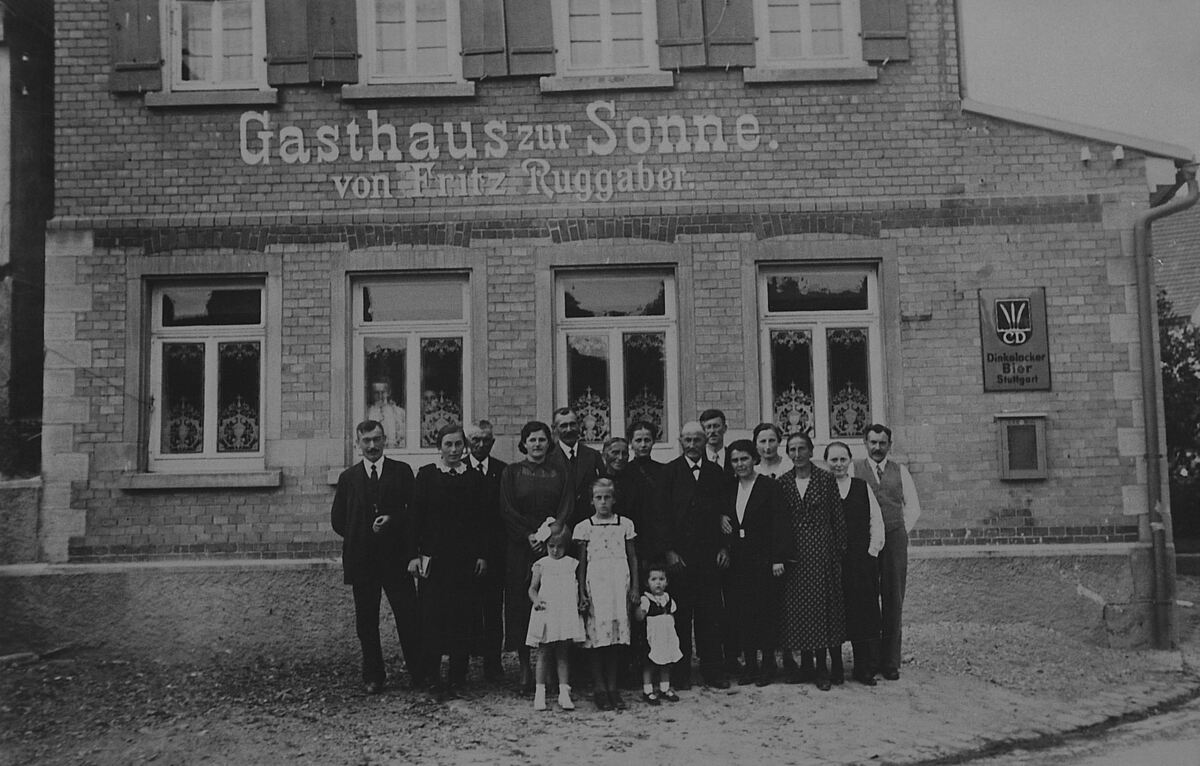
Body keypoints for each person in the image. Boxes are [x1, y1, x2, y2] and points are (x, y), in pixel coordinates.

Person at [330, 420, 419, 694]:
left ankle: (419, 672)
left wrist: (392, 520)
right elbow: (338, 521)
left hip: (396, 559)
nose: (372, 446)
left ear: (385, 440)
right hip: (363, 561)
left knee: (408, 616)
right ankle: (373, 675)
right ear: (357, 443)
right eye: (366, 441)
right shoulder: (349, 478)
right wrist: (361, 534)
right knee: (366, 621)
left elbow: (414, 513)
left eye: (376, 439)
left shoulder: (401, 472)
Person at [407, 423, 488, 698]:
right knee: (432, 616)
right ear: (439, 448)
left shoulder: (474, 477)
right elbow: (415, 518)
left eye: (458, 444)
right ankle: (431, 674)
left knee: (462, 616)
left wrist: (482, 555)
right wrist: (413, 556)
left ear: (465, 447)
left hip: (464, 560)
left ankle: (457, 675)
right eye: (448, 445)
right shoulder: (427, 475)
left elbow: (482, 520)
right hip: (434, 559)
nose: (454, 450)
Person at [651, 421, 731, 689]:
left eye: (697, 440)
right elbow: (660, 514)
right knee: (681, 616)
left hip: (709, 556)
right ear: (680, 442)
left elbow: (725, 511)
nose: (693, 445)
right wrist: (669, 551)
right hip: (680, 558)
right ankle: (680, 673)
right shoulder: (669, 472)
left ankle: (713, 671)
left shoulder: (716, 472)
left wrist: (724, 547)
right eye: (688, 440)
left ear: (705, 441)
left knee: (710, 616)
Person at [500, 421, 573, 694]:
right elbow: (506, 508)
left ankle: (551, 668)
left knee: (553, 601)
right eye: (532, 440)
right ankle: (525, 669)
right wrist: (528, 535)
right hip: (521, 547)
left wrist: (551, 536)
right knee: (521, 603)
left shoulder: (559, 472)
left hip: (552, 546)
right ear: (524, 443)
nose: (537, 444)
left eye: (542, 439)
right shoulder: (512, 472)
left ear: (548, 443)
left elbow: (566, 506)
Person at [775, 431, 847, 691]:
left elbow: (837, 517)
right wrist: (781, 554)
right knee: (800, 611)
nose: (797, 454)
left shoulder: (825, 480)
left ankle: (823, 668)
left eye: (801, 449)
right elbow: (779, 521)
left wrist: (838, 553)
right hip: (796, 555)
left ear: (811, 451)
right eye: (792, 450)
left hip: (821, 553)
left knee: (822, 610)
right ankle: (805, 665)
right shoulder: (783, 483)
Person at [850, 423, 921, 681]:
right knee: (867, 599)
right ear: (865, 443)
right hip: (866, 541)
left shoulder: (900, 471)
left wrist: (898, 530)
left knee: (893, 597)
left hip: (893, 539)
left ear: (889, 445)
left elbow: (913, 508)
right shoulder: (854, 469)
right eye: (873, 442)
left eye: (882, 443)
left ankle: (890, 661)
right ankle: (869, 660)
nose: (877, 448)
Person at [725, 439, 787, 686]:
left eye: (744, 459)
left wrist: (778, 558)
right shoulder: (730, 487)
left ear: (754, 459)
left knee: (765, 612)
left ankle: (768, 664)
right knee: (743, 612)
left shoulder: (769, 486)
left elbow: (780, 523)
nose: (740, 464)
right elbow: (724, 514)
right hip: (738, 559)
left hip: (763, 557)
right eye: (735, 460)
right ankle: (750, 664)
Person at [574, 478, 638, 710]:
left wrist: (635, 587)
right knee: (597, 638)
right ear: (591, 501)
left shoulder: (625, 524)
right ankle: (599, 688)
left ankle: (613, 687)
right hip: (596, 588)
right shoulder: (584, 527)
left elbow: (632, 557)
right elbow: (581, 563)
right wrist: (581, 592)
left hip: (619, 586)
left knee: (615, 638)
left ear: (614, 499)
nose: (603, 502)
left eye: (607, 497)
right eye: (598, 497)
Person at [825, 441, 885, 685]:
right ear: (826, 462)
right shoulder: (823, 488)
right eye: (833, 460)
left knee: (862, 613)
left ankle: (863, 667)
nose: (838, 464)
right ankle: (837, 668)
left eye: (843, 459)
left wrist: (872, 552)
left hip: (859, 562)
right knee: (834, 614)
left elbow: (876, 520)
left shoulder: (861, 487)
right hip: (831, 563)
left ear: (849, 460)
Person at [464, 419, 508, 682]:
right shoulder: (459, 469)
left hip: (495, 552)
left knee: (493, 608)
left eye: (486, 440)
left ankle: (493, 663)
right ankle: (467, 658)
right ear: (468, 442)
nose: (481, 445)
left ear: (493, 442)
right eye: (475, 440)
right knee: (467, 607)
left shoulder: (503, 471)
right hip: (466, 553)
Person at [526, 527, 587, 711]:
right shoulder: (541, 564)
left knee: (562, 654)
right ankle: (540, 693)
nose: (555, 550)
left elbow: (576, 587)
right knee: (543, 652)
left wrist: (580, 601)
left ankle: (563, 693)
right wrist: (536, 600)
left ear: (566, 546)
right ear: (546, 545)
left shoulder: (571, 564)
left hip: (564, 612)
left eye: (559, 546)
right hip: (547, 611)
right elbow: (532, 589)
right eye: (551, 546)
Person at [634, 563, 682, 705]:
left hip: (665, 636)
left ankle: (664, 688)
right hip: (653, 638)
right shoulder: (646, 599)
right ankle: (648, 690)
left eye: (661, 579)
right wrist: (639, 609)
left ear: (667, 582)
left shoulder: (668, 599)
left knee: (666, 662)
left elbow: (672, 615)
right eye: (653, 579)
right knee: (649, 663)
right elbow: (639, 617)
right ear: (647, 583)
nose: (658, 583)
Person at [549, 407, 604, 526]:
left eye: (572, 424)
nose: (569, 429)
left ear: (579, 426)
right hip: (560, 526)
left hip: (589, 524)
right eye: (563, 426)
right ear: (554, 429)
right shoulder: (548, 459)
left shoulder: (593, 456)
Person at [365, 380, 406, 449]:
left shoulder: (399, 412)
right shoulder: (367, 413)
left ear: (388, 392)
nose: (380, 396)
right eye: (376, 393)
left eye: (383, 392)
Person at [699, 408, 735, 475]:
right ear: (703, 431)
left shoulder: (733, 456)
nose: (712, 431)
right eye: (708, 427)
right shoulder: (698, 458)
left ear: (724, 428)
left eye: (716, 426)